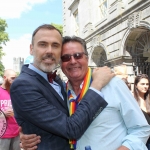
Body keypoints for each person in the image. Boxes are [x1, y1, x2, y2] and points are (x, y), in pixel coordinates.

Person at [21, 36, 150, 150]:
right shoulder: (60, 92)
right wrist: (26, 137)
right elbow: (50, 125)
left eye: (78, 55)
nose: (72, 61)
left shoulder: (113, 84)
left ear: (87, 58)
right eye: (66, 57)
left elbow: (141, 129)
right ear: (60, 63)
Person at [10, 24, 115, 150]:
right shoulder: (23, 85)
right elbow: (71, 129)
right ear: (31, 49)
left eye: (55, 45)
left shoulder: (58, 81)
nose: (49, 51)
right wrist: (97, 85)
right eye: (42, 44)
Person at [0, 69, 20, 150]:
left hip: (16, 132)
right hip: (3, 134)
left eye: (16, 78)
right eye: (12, 78)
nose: (14, 81)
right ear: (5, 77)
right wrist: (3, 114)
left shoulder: (16, 92)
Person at [133, 74, 150, 148]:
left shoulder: (149, 99)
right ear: (136, 85)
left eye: (147, 84)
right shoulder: (132, 100)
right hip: (139, 139)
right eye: (142, 84)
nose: (145, 86)